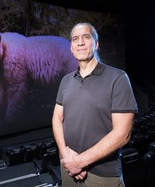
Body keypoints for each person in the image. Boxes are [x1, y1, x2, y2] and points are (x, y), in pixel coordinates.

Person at [52, 22, 138, 187]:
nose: (80, 42)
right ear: (71, 47)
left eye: (86, 37)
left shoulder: (118, 78)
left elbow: (123, 134)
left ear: (96, 44)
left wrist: (80, 162)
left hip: (103, 176)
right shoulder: (65, 80)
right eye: (75, 39)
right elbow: (57, 118)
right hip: (68, 167)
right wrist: (66, 156)